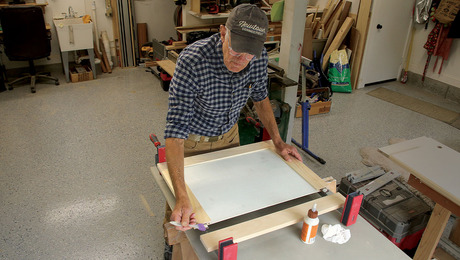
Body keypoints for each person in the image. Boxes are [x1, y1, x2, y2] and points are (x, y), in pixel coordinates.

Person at [164, 4, 302, 233]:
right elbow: (176, 130)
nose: (241, 59)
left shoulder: (258, 58)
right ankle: (170, 245)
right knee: (181, 212)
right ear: (222, 33)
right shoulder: (193, 61)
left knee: (226, 205)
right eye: (236, 50)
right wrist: (181, 195)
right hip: (190, 144)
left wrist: (278, 142)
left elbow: (261, 98)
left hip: (230, 137)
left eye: (248, 54)